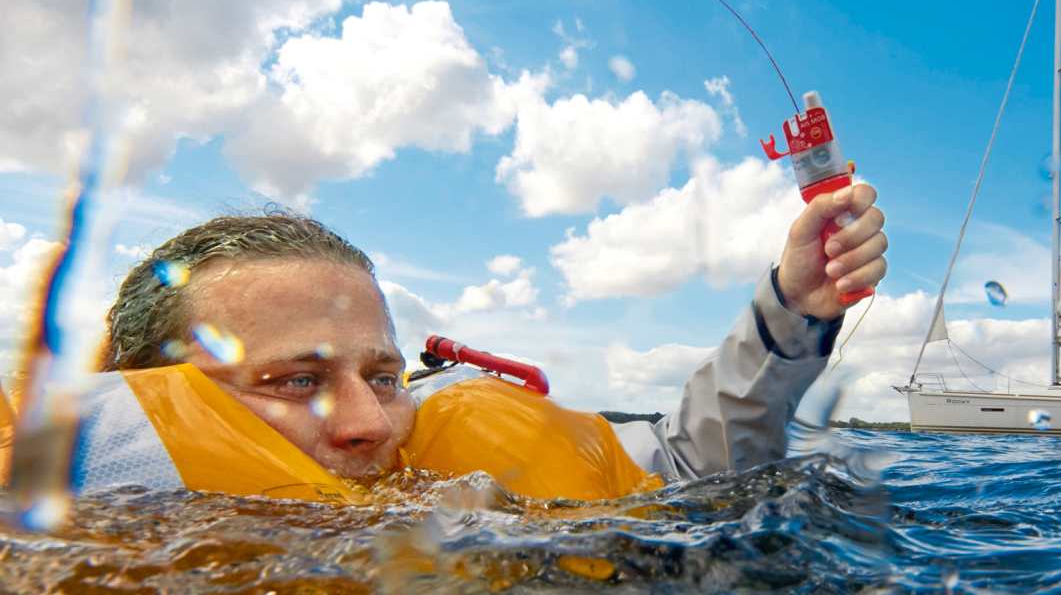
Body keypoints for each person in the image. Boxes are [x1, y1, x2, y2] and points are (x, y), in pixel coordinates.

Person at [98, 183, 886, 484]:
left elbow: (692, 464)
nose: (371, 423)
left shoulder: (457, 480)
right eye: (295, 380)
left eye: (382, 376)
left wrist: (796, 303)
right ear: (143, 398)